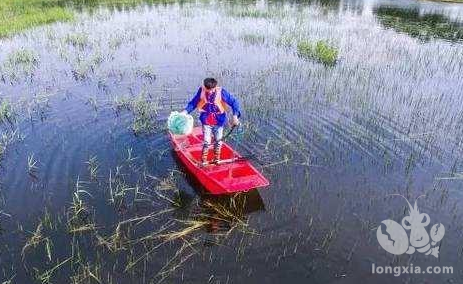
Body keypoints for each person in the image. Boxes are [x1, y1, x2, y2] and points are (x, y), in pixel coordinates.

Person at [181, 78, 241, 165]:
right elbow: (194, 102)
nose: (209, 91)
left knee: (218, 141)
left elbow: (234, 102)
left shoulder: (222, 92)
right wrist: (185, 112)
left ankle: (216, 159)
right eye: (207, 89)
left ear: (215, 87)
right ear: (204, 86)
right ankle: (204, 161)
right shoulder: (201, 91)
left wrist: (235, 116)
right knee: (206, 142)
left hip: (219, 121)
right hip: (206, 121)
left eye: (211, 90)